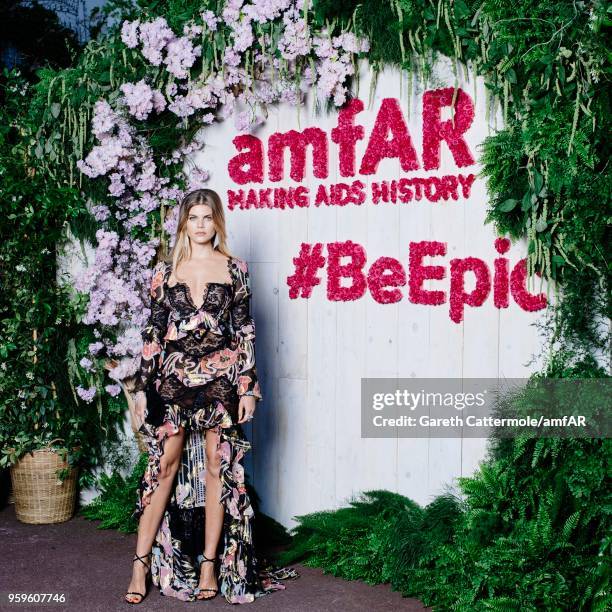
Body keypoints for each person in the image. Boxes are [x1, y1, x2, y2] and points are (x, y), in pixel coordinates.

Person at [124, 189, 296, 604]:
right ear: (183, 222)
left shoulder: (235, 269)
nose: (200, 225)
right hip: (174, 380)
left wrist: (248, 388)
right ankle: (140, 562)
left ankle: (209, 563)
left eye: (207, 217)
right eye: (193, 217)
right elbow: (153, 334)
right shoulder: (165, 271)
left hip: (221, 382)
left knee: (220, 467)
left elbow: (245, 331)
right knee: (165, 467)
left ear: (217, 221)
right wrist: (145, 391)